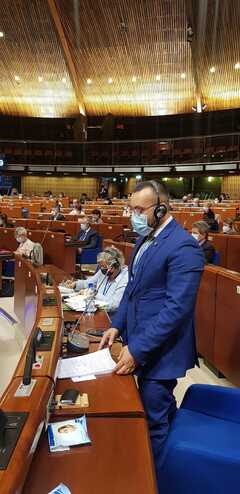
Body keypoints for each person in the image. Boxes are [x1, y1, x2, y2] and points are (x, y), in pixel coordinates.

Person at [99, 180, 204, 491]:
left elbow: (176, 310)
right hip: (141, 340)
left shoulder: (183, 246)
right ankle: (174, 460)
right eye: (131, 209)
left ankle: (154, 481)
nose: (134, 216)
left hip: (162, 352)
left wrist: (138, 349)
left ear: (161, 208)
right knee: (161, 411)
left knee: (152, 419)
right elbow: (133, 292)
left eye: (139, 210)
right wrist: (117, 326)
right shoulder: (147, 241)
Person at [64, 246, 128, 314]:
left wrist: (94, 295)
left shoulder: (125, 278)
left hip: (111, 316)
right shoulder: (103, 271)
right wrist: (75, 284)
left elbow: (114, 304)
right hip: (95, 310)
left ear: (115, 266)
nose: (101, 269)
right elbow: (89, 283)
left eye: (104, 266)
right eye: (100, 266)